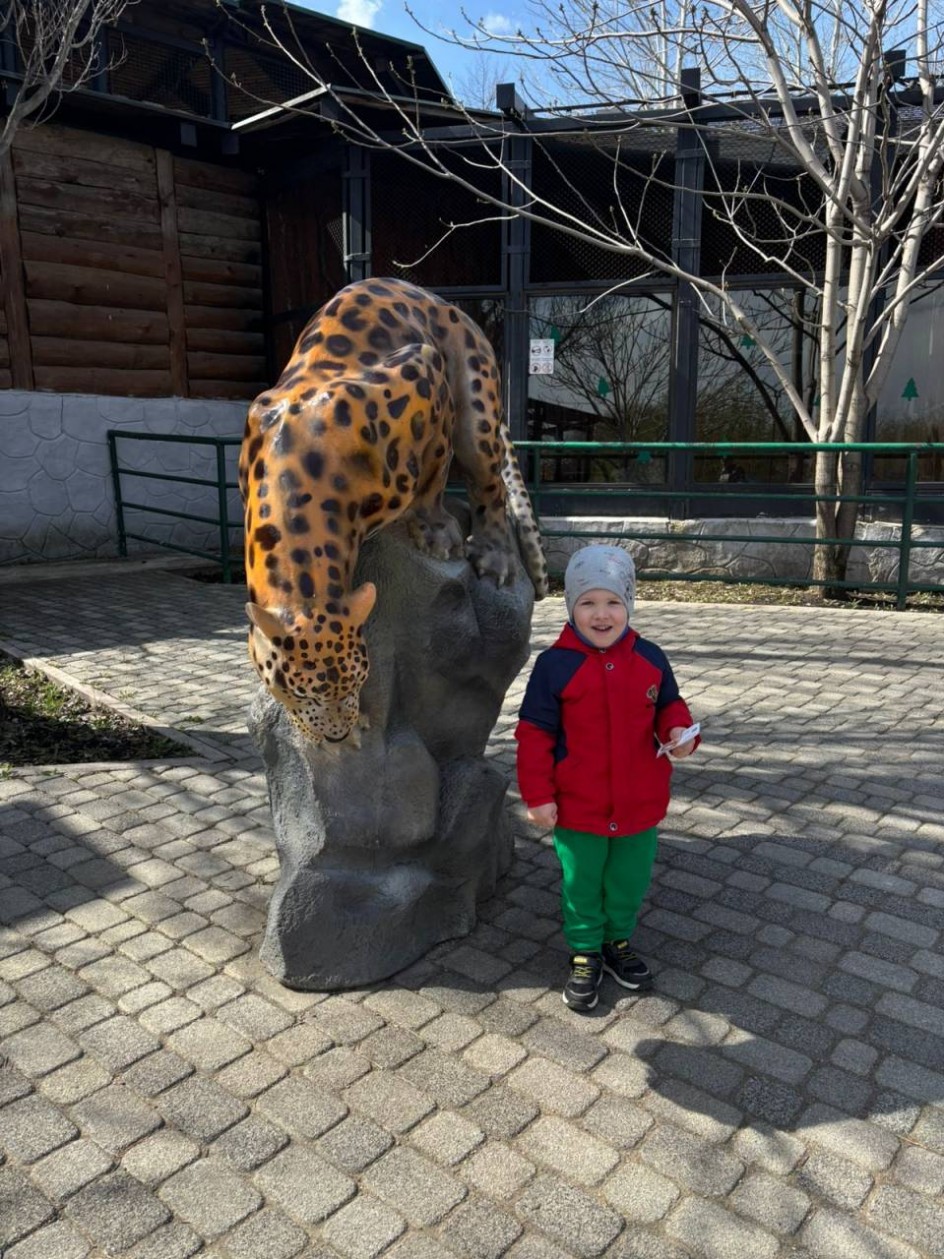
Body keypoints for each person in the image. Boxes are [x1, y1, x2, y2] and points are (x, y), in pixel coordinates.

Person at [515, 544, 700, 1013]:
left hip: (639, 805)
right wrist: (538, 795)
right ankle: (584, 950)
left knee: (628, 881)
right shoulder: (554, 665)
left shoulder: (651, 658)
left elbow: (670, 708)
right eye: (588, 603)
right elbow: (535, 735)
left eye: (613, 602)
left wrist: (679, 733)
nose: (601, 614)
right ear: (571, 607)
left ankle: (617, 941)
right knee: (582, 883)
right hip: (578, 807)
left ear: (629, 605)